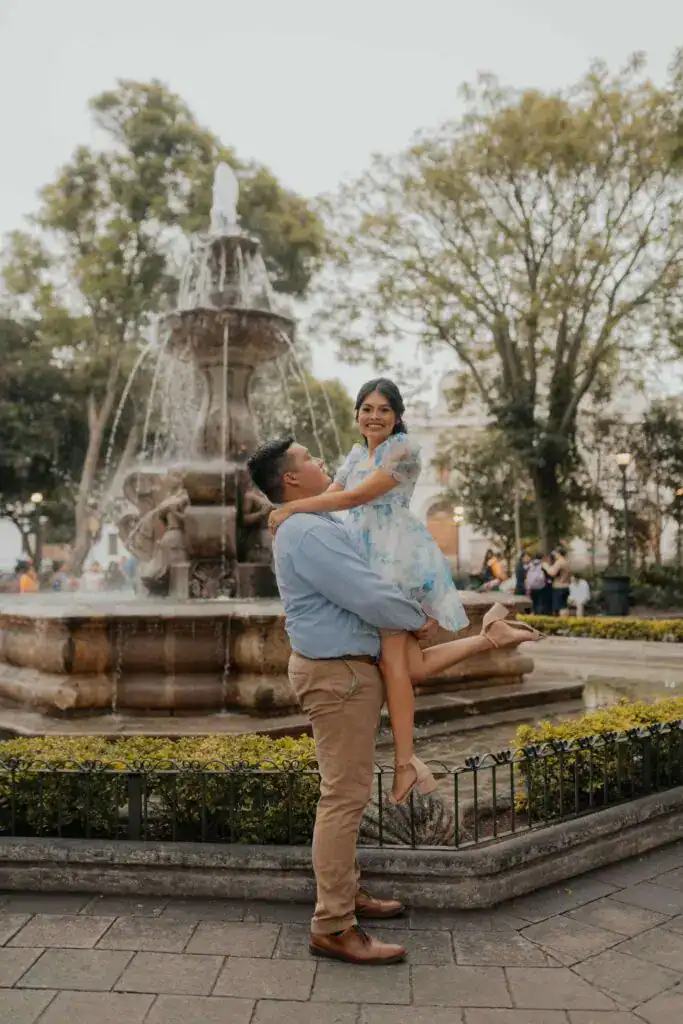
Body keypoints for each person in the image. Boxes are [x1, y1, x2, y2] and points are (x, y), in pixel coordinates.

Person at [247, 434, 542, 966]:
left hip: (346, 672)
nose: (319, 461)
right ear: (291, 478)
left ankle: (346, 893)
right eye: (309, 459)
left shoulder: (312, 522)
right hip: (337, 676)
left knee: (349, 794)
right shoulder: (307, 531)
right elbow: (365, 592)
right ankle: (333, 924)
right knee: (342, 797)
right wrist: (417, 619)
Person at [268, 379, 543, 804]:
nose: (373, 416)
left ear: (397, 415)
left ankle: (404, 765)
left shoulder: (404, 450)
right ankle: (490, 637)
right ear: (357, 414)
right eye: (366, 408)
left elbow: (356, 497)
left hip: (393, 555)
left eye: (383, 409)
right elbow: (335, 493)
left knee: (395, 663)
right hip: (362, 553)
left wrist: (288, 508)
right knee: (409, 666)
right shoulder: (357, 453)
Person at [544, 545, 571, 616]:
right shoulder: (567, 562)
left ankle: (562, 624)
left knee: (560, 607)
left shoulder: (559, 562)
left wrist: (545, 566)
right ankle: (566, 623)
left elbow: (552, 572)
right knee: (564, 606)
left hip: (559, 587)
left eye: (555, 553)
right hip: (566, 586)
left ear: (559, 553)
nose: (555, 555)